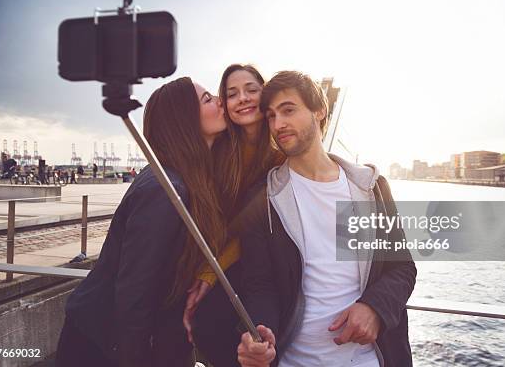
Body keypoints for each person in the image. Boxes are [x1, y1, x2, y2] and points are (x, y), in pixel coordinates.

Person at [236, 71, 416, 366]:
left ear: (320, 111)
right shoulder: (265, 198)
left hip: (368, 360)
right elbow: (259, 284)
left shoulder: (369, 188)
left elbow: (402, 268)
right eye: (270, 116)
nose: (278, 124)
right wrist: (259, 333)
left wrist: (374, 308)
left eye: (288, 110)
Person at [55, 77, 228, 367]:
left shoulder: (190, 181)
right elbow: (135, 288)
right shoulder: (165, 189)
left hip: (116, 339)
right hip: (102, 345)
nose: (220, 101)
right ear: (183, 120)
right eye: (208, 99)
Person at [185, 64, 283, 366]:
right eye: (232, 93)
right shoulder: (222, 154)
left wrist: (209, 274)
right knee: (207, 324)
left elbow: (251, 231)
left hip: (264, 272)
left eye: (252, 90)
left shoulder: (282, 156)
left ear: (265, 93)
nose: (243, 98)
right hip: (223, 262)